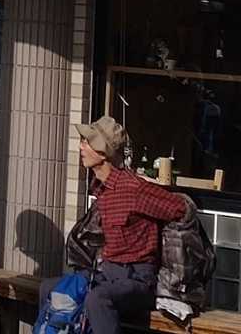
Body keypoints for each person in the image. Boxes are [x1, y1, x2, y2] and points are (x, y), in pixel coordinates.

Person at [75, 116, 187, 334]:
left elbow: (180, 208)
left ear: (102, 152)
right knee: (52, 288)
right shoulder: (101, 188)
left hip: (137, 280)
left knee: (98, 299)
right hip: (107, 274)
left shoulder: (134, 189)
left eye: (86, 142)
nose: (81, 147)